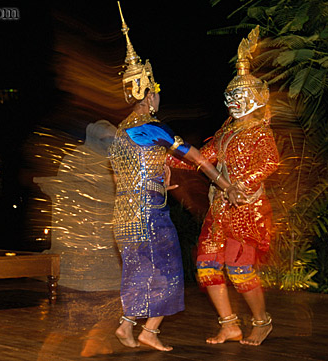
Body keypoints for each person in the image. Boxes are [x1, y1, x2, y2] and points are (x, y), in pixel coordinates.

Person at [108, 3, 245, 352]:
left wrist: (158, 178)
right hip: (149, 213)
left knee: (141, 272)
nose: (157, 96)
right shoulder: (154, 128)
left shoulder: (122, 131)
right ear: (147, 93)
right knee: (169, 270)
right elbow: (197, 156)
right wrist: (225, 184)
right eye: (155, 91)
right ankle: (149, 331)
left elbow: (129, 170)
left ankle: (128, 326)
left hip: (123, 214)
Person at [195, 26, 279, 346]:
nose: (234, 103)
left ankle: (262, 321)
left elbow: (271, 163)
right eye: (231, 98)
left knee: (239, 270)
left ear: (255, 99)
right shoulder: (224, 133)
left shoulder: (259, 131)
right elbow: (201, 158)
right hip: (219, 210)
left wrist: (237, 185)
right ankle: (229, 324)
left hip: (246, 209)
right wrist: (170, 156)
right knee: (207, 266)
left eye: (240, 97)